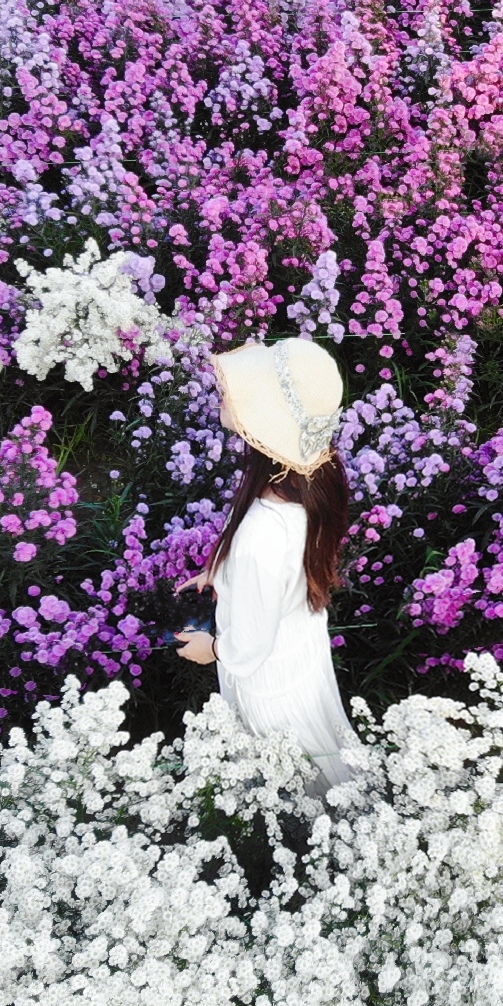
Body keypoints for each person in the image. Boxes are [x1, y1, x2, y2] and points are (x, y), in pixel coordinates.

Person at [173, 335, 360, 797]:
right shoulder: (306, 481)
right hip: (297, 645)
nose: (227, 391)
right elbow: (283, 570)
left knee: (298, 785)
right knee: (325, 760)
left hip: (268, 678)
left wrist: (212, 649)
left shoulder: (262, 532)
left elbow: (250, 644)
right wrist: (222, 572)